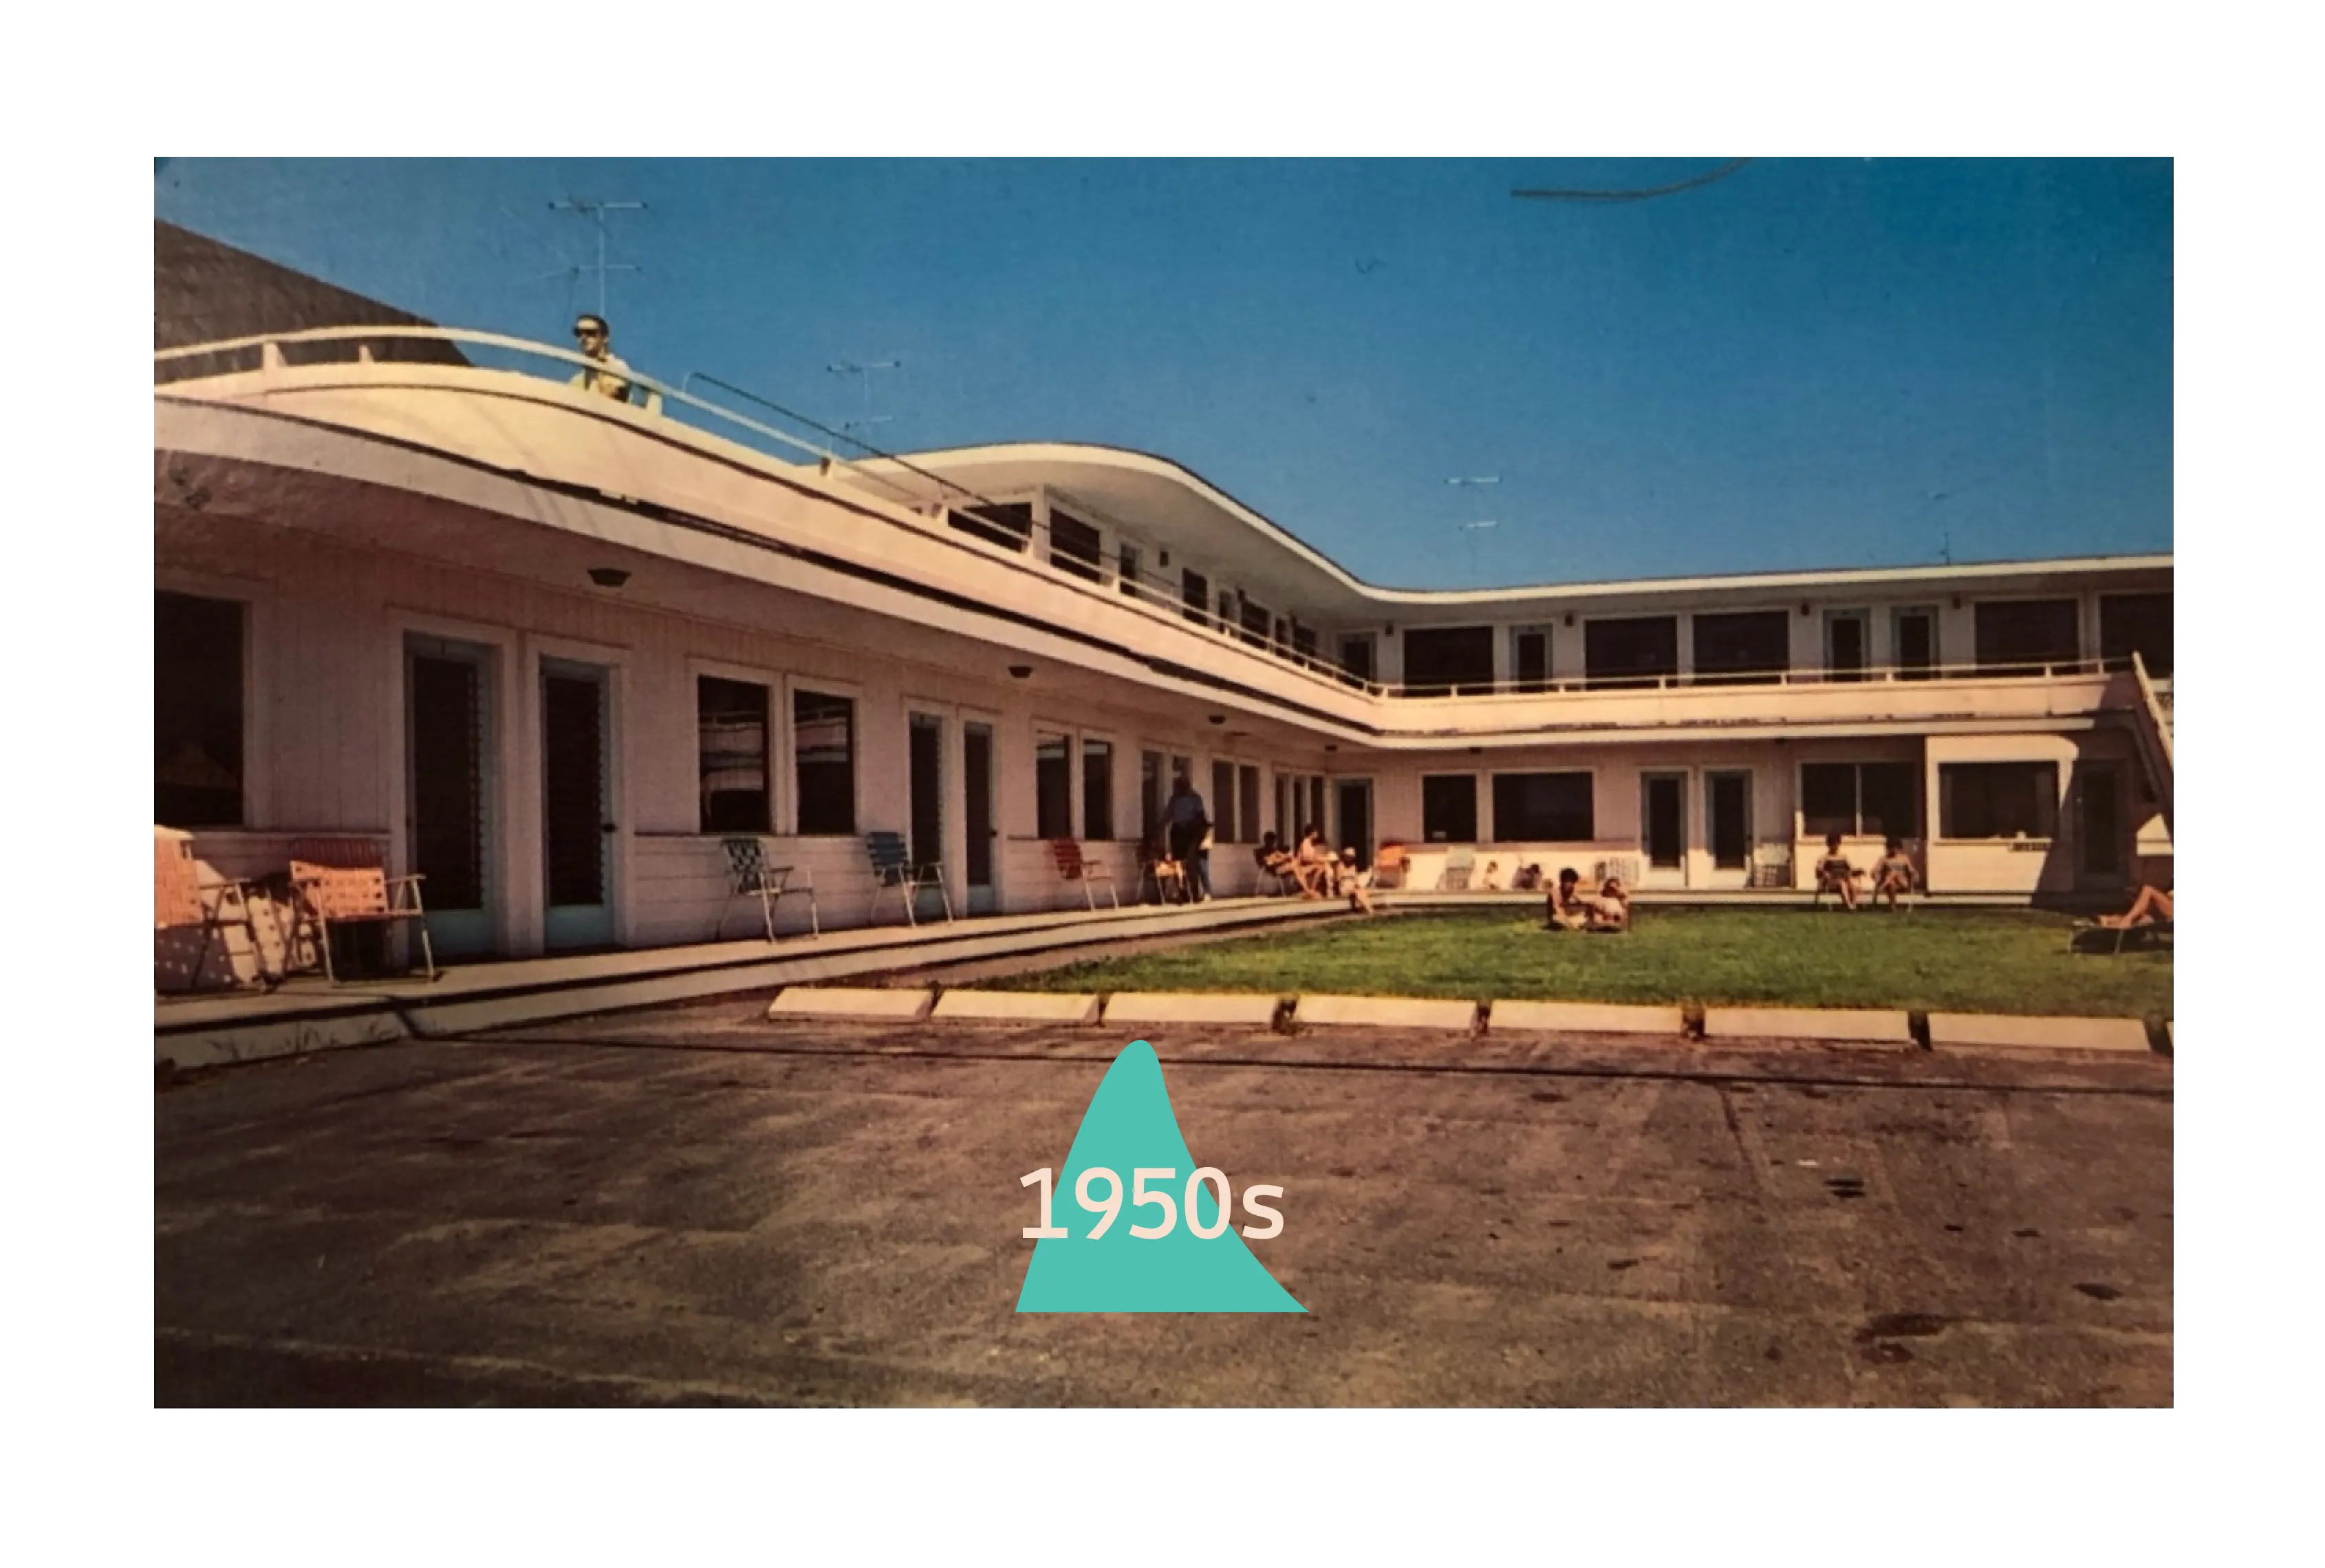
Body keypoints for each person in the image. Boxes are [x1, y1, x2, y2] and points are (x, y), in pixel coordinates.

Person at [568, 314, 662, 413]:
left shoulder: (616, 367)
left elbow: (607, 400)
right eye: (578, 333)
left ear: (605, 338)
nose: (583, 338)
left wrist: (594, 376)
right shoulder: (577, 380)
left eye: (590, 333)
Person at [1165, 775, 1211, 902]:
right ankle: (1183, 891)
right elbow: (1168, 815)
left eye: (1181, 785)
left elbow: (1201, 816)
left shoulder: (1194, 798)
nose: (1178, 788)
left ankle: (1195, 893)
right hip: (1178, 831)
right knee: (1178, 863)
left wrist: (1201, 832)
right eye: (1177, 786)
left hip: (1191, 831)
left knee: (1193, 863)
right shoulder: (1174, 800)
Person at [1815, 832, 1863, 910]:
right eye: (1832, 844)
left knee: (1852, 882)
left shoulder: (1843, 856)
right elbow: (1819, 869)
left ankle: (1853, 905)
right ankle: (1848, 905)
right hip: (1831, 880)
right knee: (1842, 883)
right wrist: (1824, 873)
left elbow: (1851, 868)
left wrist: (1858, 871)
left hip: (1844, 878)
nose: (1834, 846)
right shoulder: (1825, 858)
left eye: (1836, 844)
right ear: (1828, 845)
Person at [2099, 882, 2174, 928]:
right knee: (2140, 896)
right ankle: (2112, 920)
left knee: (2148, 890)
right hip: (2165, 909)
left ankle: (2127, 920)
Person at [1872, 837, 1916, 911]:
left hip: (1902, 883)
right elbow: (1875, 871)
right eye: (1891, 848)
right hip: (1890, 884)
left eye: (1895, 848)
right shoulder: (1884, 859)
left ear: (1899, 848)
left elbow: (1911, 869)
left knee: (1895, 873)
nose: (1894, 850)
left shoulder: (1904, 858)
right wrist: (1876, 875)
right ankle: (1893, 907)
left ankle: (1882, 887)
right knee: (1892, 883)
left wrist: (1914, 874)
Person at [1295, 825, 1333, 898]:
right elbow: (1305, 858)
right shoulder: (1306, 843)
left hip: (1309, 865)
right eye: (1316, 832)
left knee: (1323, 866)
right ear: (1311, 833)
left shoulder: (1310, 843)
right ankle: (1312, 889)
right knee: (1321, 868)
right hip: (1303, 867)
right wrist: (1320, 860)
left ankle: (1315, 889)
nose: (1317, 834)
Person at [1338, 847, 1376, 914]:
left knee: (1362, 891)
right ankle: (1369, 909)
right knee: (1357, 891)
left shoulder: (1353, 866)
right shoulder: (1340, 866)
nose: (1350, 859)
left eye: (1351, 857)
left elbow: (1356, 878)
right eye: (1348, 857)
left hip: (1353, 885)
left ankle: (1368, 908)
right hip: (1344, 886)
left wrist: (1357, 884)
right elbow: (1338, 879)